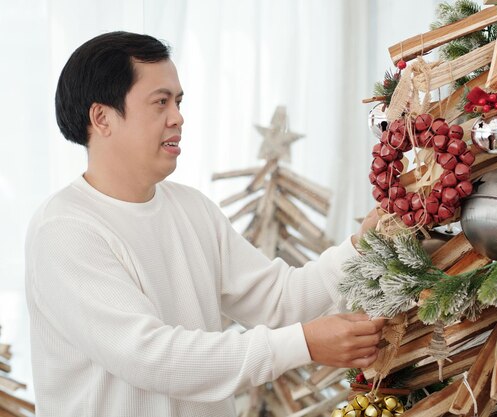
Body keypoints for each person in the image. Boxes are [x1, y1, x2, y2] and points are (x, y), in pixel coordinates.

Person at [25, 31, 383, 417]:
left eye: (177, 102)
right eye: (160, 102)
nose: (178, 117)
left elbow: (280, 300)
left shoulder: (192, 209)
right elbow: (152, 357)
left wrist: (362, 244)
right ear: (102, 118)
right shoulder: (64, 230)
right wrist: (303, 345)